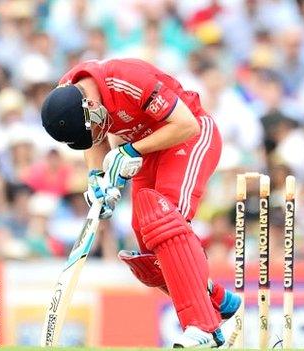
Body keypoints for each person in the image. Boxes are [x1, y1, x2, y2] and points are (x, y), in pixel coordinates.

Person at [40, 58, 241, 348]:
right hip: (147, 149)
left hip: (189, 135)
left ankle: (203, 327)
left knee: (163, 216)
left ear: (90, 107)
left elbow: (186, 124)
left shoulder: (126, 79)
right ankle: (218, 300)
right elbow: (94, 139)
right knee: (149, 251)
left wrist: (128, 150)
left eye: (94, 128)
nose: (98, 135)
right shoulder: (68, 95)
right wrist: (97, 178)